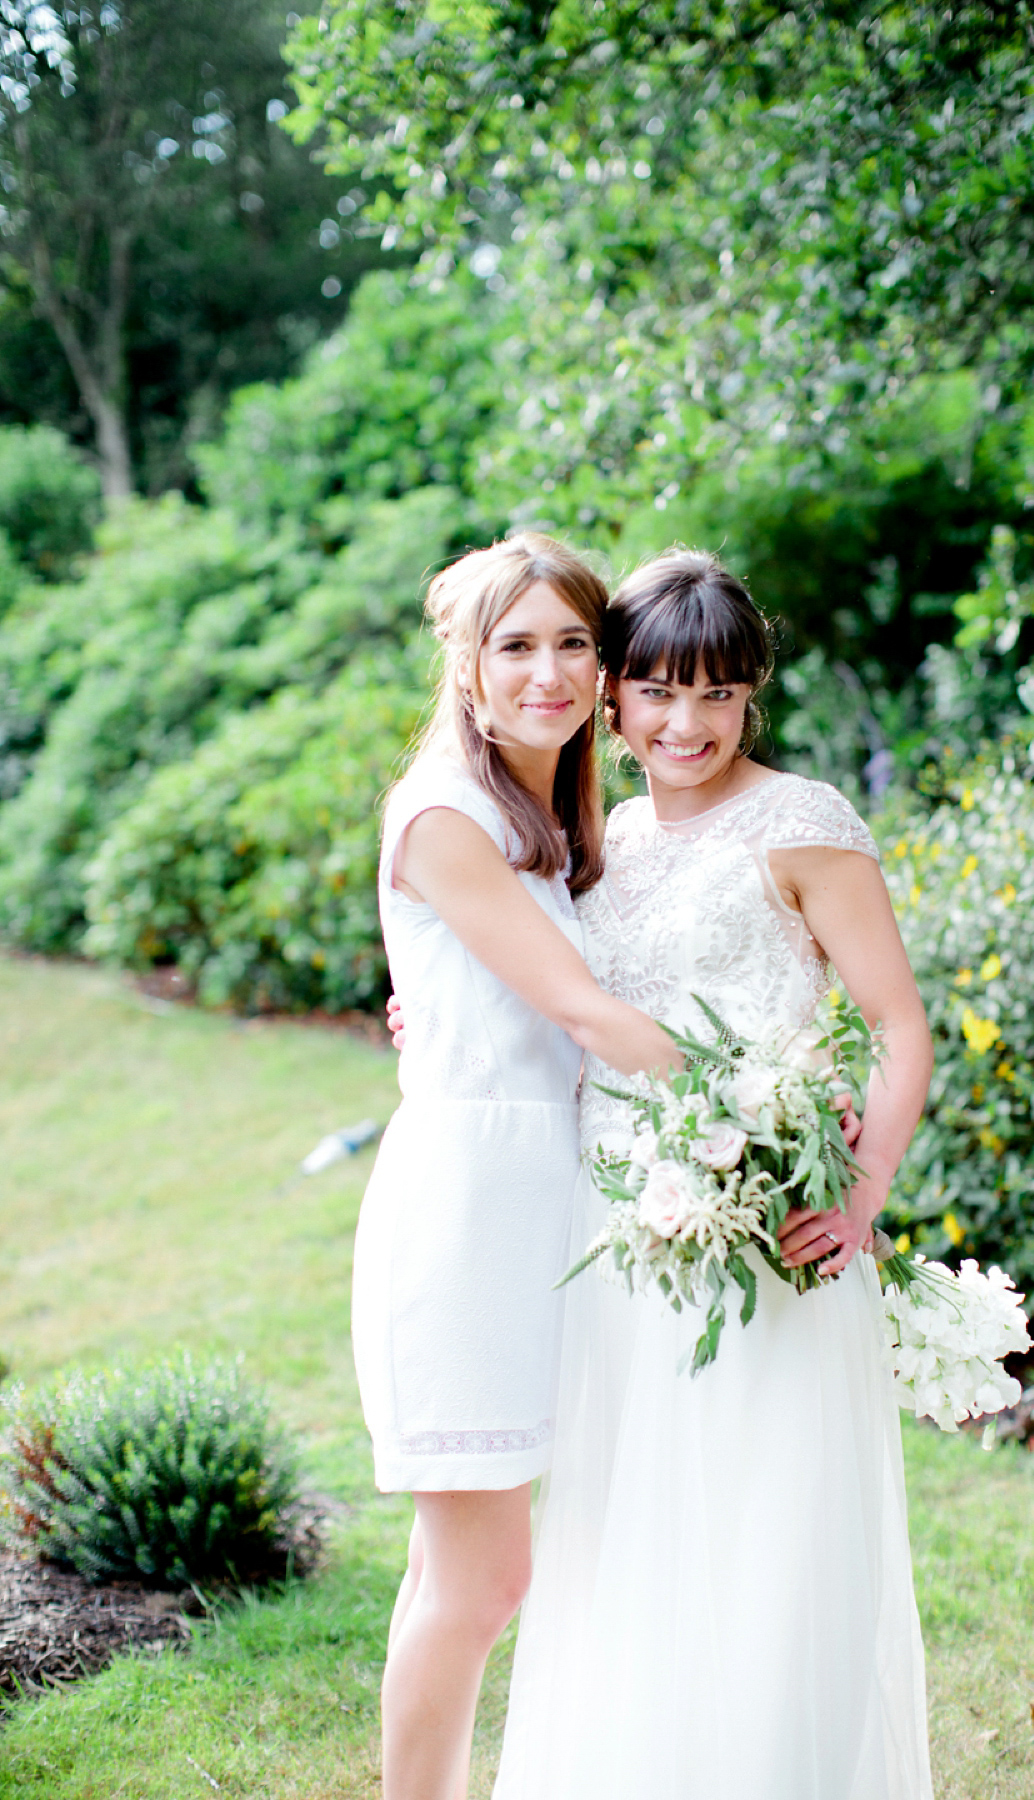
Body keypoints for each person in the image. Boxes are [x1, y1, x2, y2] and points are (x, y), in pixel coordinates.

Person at [490, 549, 936, 1799]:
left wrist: (862, 1193)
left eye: (719, 696)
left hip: (766, 1233)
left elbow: (901, 1027)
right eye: (657, 692)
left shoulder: (804, 825)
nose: (687, 725)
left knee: (765, 1539)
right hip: (617, 1230)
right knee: (624, 1535)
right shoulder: (604, 831)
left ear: (752, 699)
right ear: (615, 697)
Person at [354, 532, 676, 1800]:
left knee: (478, 1571)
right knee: (479, 1579)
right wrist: (748, 1107)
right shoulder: (445, 812)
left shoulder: (541, 812)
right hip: (469, 1217)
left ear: (604, 669)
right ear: (468, 667)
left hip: (552, 1205)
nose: (547, 672)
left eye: (571, 644)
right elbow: (584, 1011)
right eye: (517, 645)